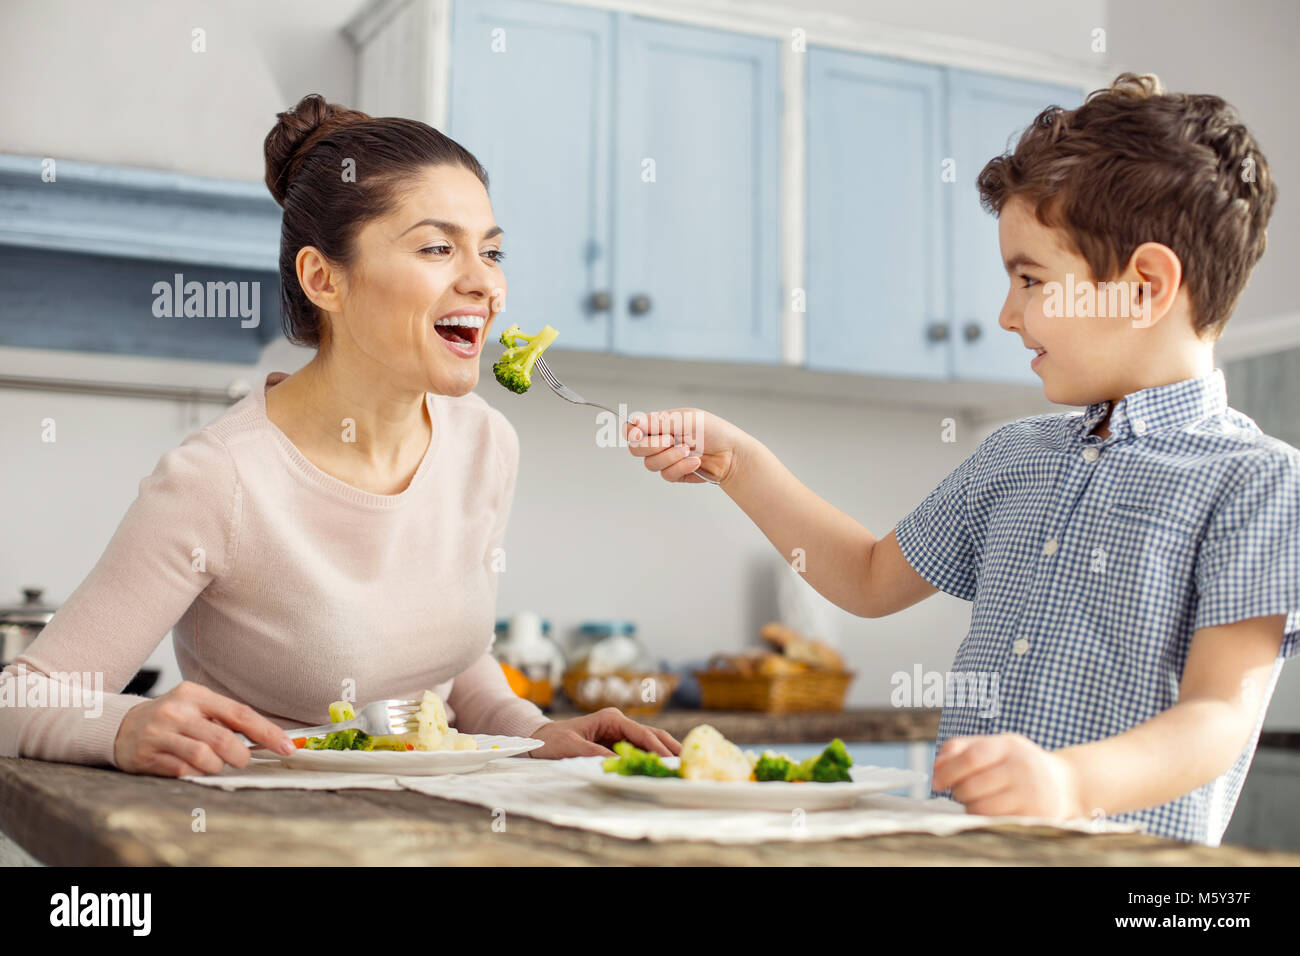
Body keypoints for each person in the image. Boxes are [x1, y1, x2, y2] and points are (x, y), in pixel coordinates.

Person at [622, 73, 1297, 845]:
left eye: (1031, 279)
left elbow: (1218, 716)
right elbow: (867, 578)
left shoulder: (1257, 482)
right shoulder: (1014, 454)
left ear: (1143, 287)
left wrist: (1070, 783)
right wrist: (738, 462)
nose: (1007, 314)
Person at [0, 93, 679, 777]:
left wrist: (535, 732)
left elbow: (453, 668)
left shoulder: (485, 443)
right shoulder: (219, 478)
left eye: (492, 251)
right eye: (438, 248)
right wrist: (124, 725)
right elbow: (20, 700)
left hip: (444, 820)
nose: (486, 284)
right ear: (323, 279)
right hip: (263, 822)